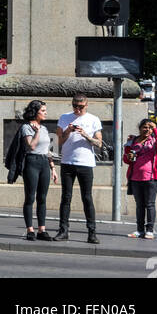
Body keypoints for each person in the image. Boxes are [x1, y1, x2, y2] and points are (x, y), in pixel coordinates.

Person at [55, 93, 102, 243]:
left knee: (87, 198)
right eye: (75, 106)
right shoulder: (64, 117)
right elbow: (59, 141)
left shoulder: (93, 119)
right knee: (66, 197)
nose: (77, 110)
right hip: (68, 162)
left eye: (81, 107)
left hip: (85, 163)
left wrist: (86, 135)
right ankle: (63, 230)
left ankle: (92, 232)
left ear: (86, 105)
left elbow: (99, 143)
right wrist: (68, 132)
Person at [19, 100, 57, 241]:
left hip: (44, 163)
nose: (45, 113)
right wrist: (37, 132)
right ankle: (30, 230)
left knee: (42, 198)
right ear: (35, 112)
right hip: (32, 162)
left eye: (45, 110)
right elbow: (31, 147)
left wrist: (53, 168)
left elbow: (48, 150)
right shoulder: (27, 127)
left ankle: (42, 230)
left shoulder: (45, 128)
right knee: (30, 197)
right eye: (43, 111)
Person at [124, 117, 157, 238]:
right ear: (140, 128)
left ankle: (150, 230)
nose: (147, 130)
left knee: (150, 204)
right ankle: (139, 230)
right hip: (135, 178)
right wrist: (129, 155)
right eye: (145, 127)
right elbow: (126, 159)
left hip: (151, 178)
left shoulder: (154, 140)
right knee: (139, 205)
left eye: (150, 128)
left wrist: (156, 130)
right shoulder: (133, 141)